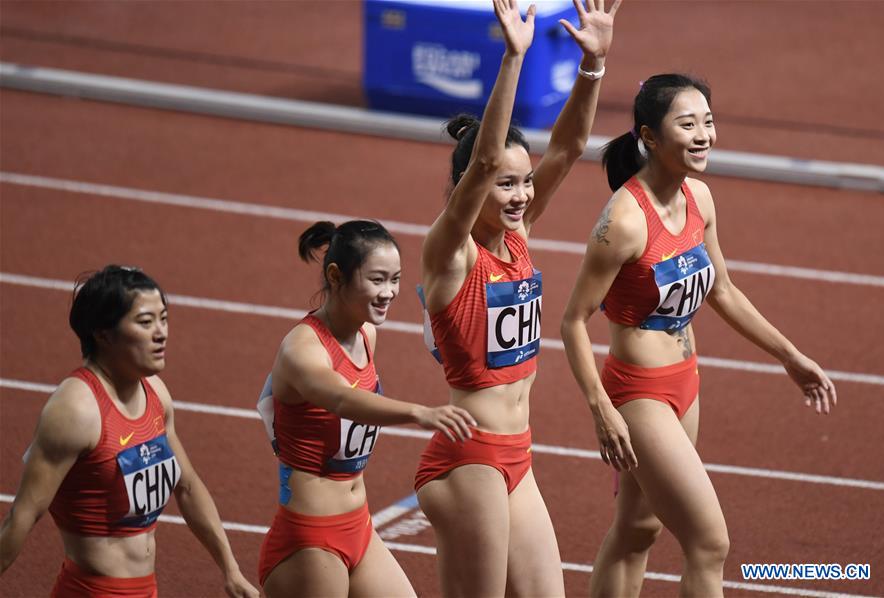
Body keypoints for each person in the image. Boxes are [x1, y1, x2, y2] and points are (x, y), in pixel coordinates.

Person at [559, 73, 838, 597]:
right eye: (688, 124)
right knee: (709, 543)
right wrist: (601, 410)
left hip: (685, 381)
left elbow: (723, 292)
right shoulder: (622, 220)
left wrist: (790, 356)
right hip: (638, 392)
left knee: (638, 529)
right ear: (650, 137)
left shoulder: (701, 199)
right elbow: (574, 319)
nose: (704, 134)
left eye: (708, 121)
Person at [413, 0, 622, 595]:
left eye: (524, 181)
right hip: (468, 457)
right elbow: (482, 160)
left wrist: (594, 65)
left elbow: (571, 147)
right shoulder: (450, 254)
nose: (521, 194)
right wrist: (513, 56)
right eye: (506, 184)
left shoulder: (518, 237)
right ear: (465, 191)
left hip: (517, 454)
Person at [0, 265, 258, 597]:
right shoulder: (76, 409)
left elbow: (188, 486)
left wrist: (231, 569)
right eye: (145, 322)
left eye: (163, 319)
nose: (161, 333)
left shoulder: (155, 392)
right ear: (103, 333)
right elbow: (21, 517)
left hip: (145, 589)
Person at [255, 220, 476, 598]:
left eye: (395, 279)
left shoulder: (365, 334)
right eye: (377, 279)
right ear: (336, 276)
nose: (388, 292)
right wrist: (417, 413)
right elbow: (341, 399)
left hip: (358, 524)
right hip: (311, 535)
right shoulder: (301, 349)